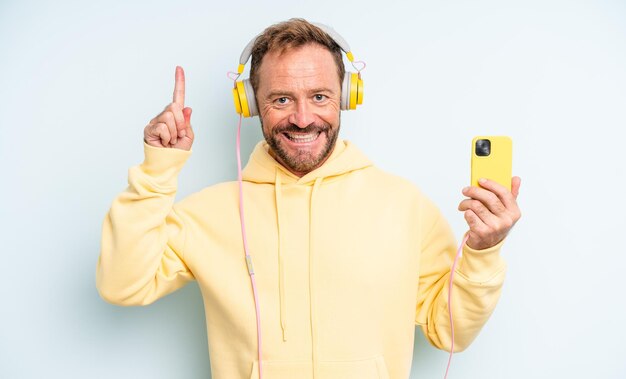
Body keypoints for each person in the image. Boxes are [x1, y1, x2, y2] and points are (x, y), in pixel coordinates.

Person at [96, 18, 521, 379]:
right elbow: (122, 284)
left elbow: (450, 332)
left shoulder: (404, 206)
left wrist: (483, 252)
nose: (303, 118)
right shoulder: (211, 213)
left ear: (348, 97)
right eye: (281, 99)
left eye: (319, 96)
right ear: (250, 104)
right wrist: (157, 172)